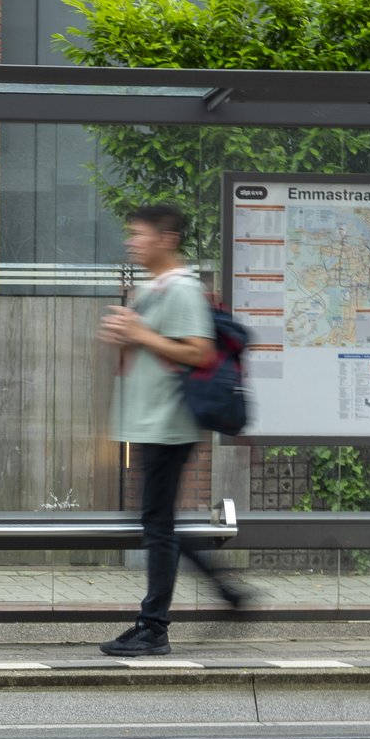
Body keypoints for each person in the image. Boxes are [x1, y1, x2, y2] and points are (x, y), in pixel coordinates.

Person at [97, 204, 247, 656]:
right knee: (159, 522)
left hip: (169, 423)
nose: (131, 241)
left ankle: (154, 626)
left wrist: (140, 335)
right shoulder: (153, 288)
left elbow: (200, 353)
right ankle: (223, 594)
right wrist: (130, 334)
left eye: (138, 234)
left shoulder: (181, 289)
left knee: (158, 525)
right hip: (151, 420)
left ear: (166, 239)